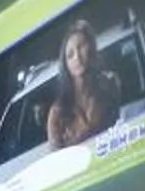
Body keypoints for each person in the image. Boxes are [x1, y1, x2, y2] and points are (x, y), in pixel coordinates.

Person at [43, 18, 125, 150]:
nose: (77, 57)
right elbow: (57, 156)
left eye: (81, 47)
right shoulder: (57, 112)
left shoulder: (109, 85)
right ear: (66, 65)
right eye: (70, 55)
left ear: (91, 49)